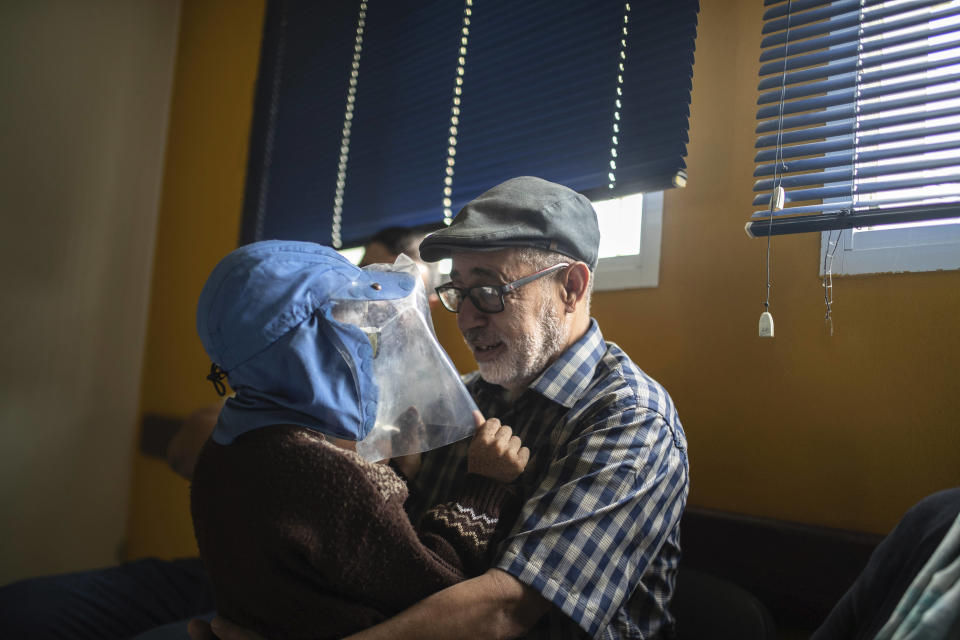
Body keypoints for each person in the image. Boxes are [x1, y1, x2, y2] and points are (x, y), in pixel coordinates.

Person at [199, 176, 690, 640]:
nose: (469, 319)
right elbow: (390, 560)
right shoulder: (463, 397)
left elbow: (505, 610)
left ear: (572, 288)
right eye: (458, 291)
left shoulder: (632, 420)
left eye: (491, 290)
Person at [190, 240, 531, 639]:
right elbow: (437, 585)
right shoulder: (326, 476)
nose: (372, 353)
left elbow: (343, 560)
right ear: (313, 351)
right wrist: (485, 488)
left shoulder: (222, 450)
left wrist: (400, 474)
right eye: (358, 334)